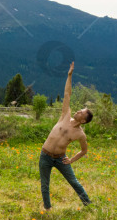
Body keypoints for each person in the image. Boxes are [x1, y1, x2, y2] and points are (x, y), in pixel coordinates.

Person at [39, 61, 93, 211]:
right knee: (45, 184)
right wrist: (69, 75)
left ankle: (88, 205)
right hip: (45, 155)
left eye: (81, 112)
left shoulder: (80, 134)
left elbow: (84, 151)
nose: (78, 111)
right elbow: (67, 94)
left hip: (61, 159)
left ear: (83, 120)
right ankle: (48, 209)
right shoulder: (65, 115)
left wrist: (71, 160)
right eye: (80, 110)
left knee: (74, 182)